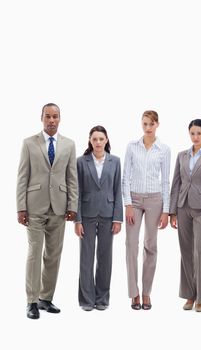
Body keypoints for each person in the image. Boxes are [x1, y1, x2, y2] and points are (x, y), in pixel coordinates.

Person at [16, 103, 78, 319]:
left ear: (60, 119)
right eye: (48, 116)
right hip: (34, 207)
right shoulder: (29, 143)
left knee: (53, 255)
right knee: (34, 253)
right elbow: (22, 176)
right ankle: (31, 301)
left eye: (55, 116)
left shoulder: (69, 145)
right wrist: (20, 207)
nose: (52, 120)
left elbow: (72, 178)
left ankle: (45, 298)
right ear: (41, 118)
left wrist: (72, 205)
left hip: (59, 208)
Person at [169, 119, 201, 312]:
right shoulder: (181, 155)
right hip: (183, 208)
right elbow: (175, 184)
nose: (195, 137)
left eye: (199, 133)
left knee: (200, 252)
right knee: (186, 253)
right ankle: (190, 294)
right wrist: (172, 211)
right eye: (192, 133)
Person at [122, 110, 171, 310]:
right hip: (134, 199)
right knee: (131, 246)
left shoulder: (164, 150)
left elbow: (166, 181)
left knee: (151, 246)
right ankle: (134, 293)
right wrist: (127, 205)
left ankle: (146, 293)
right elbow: (125, 178)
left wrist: (166, 210)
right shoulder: (132, 147)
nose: (148, 128)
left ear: (157, 124)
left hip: (155, 200)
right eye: (144, 124)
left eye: (151, 124)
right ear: (141, 124)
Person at [74, 125, 123, 311]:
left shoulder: (115, 161)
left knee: (105, 258)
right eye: (94, 139)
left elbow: (118, 191)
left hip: (108, 215)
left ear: (107, 140)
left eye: (101, 139)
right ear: (90, 141)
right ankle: (86, 300)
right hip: (86, 214)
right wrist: (77, 220)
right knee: (86, 258)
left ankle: (102, 299)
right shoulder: (81, 162)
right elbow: (76, 192)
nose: (98, 142)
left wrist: (117, 218)